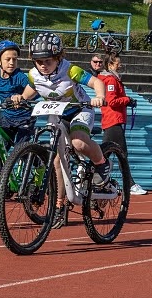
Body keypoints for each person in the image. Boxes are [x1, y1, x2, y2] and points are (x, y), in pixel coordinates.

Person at [22, 32, 118, 194]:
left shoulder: (70, 70)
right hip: (57, 114)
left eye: (48, 61)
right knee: (57, 160)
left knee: (78, 143)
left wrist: (100, 96)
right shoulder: (33, 74)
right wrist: (21, 98)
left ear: (58, 58)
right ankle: (60, 202)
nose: (43, 65)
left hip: (80, 110)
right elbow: (32, 89)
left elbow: (96, 82)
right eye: (39, 62)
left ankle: (102, 163)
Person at [97, 54, 147, 196]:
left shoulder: (110, 79)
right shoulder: (111, 80)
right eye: (118, 63)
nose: (120, 65)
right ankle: (129, 184)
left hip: (112, 120)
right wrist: (127, 100)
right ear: (110, 65)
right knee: (121, 154)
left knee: (105, 154)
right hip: (113, 120)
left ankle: (99, 182)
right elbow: (112, 101)